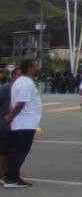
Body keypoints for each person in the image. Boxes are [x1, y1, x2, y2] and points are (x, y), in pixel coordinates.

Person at [2, 58, 42, 187]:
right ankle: (11, 178)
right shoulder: (27, 83)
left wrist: (11, 116)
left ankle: (11, 176)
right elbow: (20, 103)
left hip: (22, 122)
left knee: (16, 151)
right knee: (20, 151)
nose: (38, 67)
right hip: (25, 122)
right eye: (36, 65)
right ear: (29, 68)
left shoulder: (20, 81)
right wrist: (10, 116)